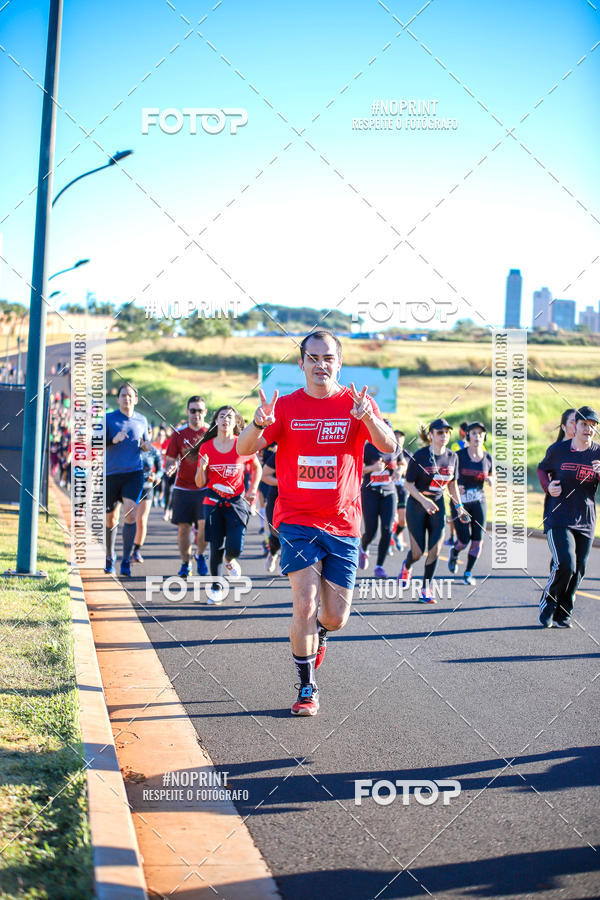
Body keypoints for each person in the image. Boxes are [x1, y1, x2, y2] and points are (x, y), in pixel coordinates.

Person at [236, 330, 396, 717]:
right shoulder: (286, 407)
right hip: (296, 520)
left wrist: (369, 418)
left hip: (343, 523)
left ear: (339, 363)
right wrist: (259, 423)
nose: (321, 365)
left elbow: (390, 446)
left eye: (328, 358)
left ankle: (321, 635)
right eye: (313, 357)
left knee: (334, 617)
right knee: (304, 600)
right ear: (301, 363)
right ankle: (307, 686)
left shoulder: (357, 404)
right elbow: (243, 449)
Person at [537, 406, 600, 628]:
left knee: (579, 569)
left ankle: (564, 612)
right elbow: (542, 469)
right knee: (566, 563)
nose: (588, 430)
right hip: (559, 516)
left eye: (593, 427)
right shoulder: (559, 450)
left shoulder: (598, 454)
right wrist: (548, 486)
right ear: (575, 426)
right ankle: (549, 604)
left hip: (585, 519)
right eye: (584, 425)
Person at [195, 406, 261, 604]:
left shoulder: (242, 445)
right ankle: (215, 588)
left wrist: (252, 491)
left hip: (236, 502)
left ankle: (230, 560)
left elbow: (256, 468)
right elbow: (199, 482)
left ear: (236, 422)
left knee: (235, 548)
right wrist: (202, 468)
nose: (225, 419)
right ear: (216, 421)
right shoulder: (206, 447)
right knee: (215, 546)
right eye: (221, 416)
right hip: (213, 501)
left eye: (230, 417)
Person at [399, 419, 469, 603]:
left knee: (435, 549)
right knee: (417, 552)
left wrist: (459, 507)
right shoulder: (420, 456)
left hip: (438, 505)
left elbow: (452, 485)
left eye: (447, 432)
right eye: (440, 432)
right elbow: (408, 484)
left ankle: (426, 589)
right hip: (417, 504)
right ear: (431, 435)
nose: (444, 435)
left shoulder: (453, 457)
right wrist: (424, 501)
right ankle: (407, 567)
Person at [105, 383, 152, 577]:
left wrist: (146, 447)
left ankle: (126, 560)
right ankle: (109, 557)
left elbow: (145, 443)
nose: (127, 399)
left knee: (130, 514)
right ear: (118, 399)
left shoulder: (142, 420)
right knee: (111, 519)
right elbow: (93, 442)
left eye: (130, 396)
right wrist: (112, 440)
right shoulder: (108, 418)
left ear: (136, 399)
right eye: (123, 395)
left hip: (134, 473)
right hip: (110, 474)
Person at [165, 397, 210, 577]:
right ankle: (185, 562)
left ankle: (200, 555)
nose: (196, 415)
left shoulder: (211, 433)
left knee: (204, 525)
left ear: (205, 413)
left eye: (200, 411)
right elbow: (169, 460)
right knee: (183, 528)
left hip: (205, 487)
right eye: (193, 411)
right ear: (187, 412)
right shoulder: (178, 434)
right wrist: (171, 467)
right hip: (183, 487)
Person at [447, 422, 494, 585]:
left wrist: (491, 479)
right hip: (460, 503)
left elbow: (492, 474)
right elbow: (449, 477)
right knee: (464, 540)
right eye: (474, 433)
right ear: (468, 436)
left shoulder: (488, 458)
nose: (477, 437)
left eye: (480, 434)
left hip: (478, 501)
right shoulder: (458, 455)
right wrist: (456, 485)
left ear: (484, 437)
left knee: (477, 540)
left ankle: (467, 572)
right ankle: (454, 552)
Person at [358, 427, 399, 579]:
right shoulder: (367, 448)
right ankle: (364, 546)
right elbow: (357, 468)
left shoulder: (393, 448)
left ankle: (379, 566)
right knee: (371, 531)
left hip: (389, 493)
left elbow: (403, 463)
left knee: (388, 530)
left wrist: (400, 470)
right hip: (370, 493)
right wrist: (372, 468)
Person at [133, 443, 164, 563]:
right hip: (131, 487)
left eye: (148, 433)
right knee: (130, 518)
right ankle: (127, 547)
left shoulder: (154, 451)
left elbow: (161, 470)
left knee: (141, 519)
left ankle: (136, 550)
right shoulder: (131, 448)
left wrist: (155, 476)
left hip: (147, 487)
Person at [261, 446, 281, 573]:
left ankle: (284, 562)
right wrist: (284, 483)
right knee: (276, 531)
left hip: (298, 499)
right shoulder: (280, 453)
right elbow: (264, 476)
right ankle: (272, 552)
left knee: (291, 533)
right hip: (276, 497)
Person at [392, 430, 410, 551]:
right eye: (396, 437)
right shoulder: (387, 454)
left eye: (400, 438)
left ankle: (396, 535)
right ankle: (387, 543)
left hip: (403, 491)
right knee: (390, 519)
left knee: (403, 521)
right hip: (391, 490)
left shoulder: (408, 455)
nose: (398, 440)